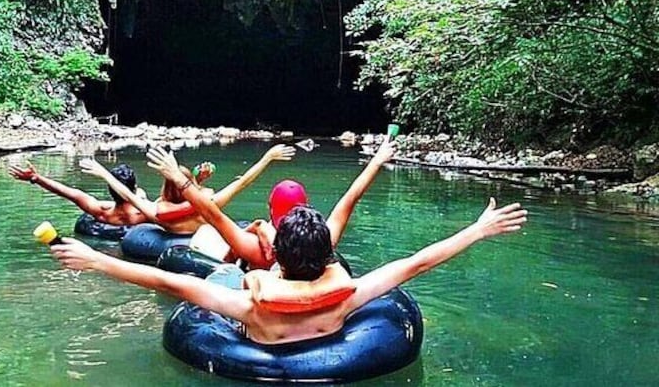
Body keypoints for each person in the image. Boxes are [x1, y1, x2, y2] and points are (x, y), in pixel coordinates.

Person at [49, 198, 527, 345]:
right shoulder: (350, 295)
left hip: (259, 346)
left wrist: (96, 260)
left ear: (276, 257)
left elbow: (166, 280)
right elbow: (419, 261)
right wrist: (478, 229)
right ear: (327, 259)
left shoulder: (244, 303)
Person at [144, 138, 397, 269]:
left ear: (270, 208)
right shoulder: (324, 241)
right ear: (306, 207)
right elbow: (351, 198)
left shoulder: (256, 249)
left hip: (259, 285)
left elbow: (212, 215)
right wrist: (377, 160)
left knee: (211, 234)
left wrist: (178, 178)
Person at [79, 144, 296, 235]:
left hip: (176, 231)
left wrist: (104, 173)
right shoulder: (209, 205)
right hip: (204, 232)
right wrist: (268, 157)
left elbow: (128, 195)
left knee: (142, 196)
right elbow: (243, 182)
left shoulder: (158, 213)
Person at [9, 162, 149, 226]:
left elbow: (70, 193)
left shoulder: (101, 212)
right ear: (134, 188)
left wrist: (36, 178)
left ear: (110, 190)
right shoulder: (147, 214)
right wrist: (140, 196)